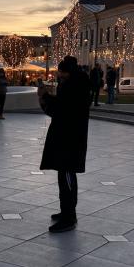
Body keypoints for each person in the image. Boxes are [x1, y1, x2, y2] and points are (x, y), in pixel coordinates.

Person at [38, 56, 91, 233]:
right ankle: (66, 212)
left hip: (70, 140)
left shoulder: (74, 86)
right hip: (68, 138)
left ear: (67, 71)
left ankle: (69, 217)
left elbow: (63, 110)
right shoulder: (74, 84)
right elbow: (63, 107)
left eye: (61, 72)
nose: (59, 74)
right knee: (64, 176)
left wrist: (45, 96)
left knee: (67, 177)